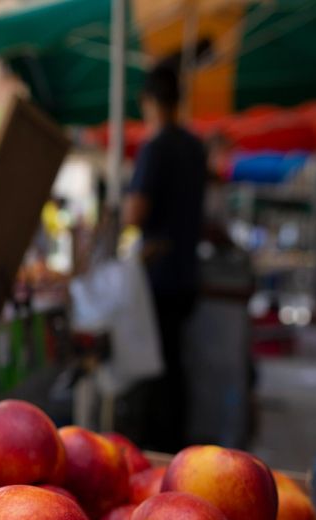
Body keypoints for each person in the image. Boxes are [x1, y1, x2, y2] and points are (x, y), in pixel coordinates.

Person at [123, 64, 207, 453]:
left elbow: (135, 213)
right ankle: (176, 445)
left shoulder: (155, 148)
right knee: (175, 365)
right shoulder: (194, 148)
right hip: (187, 275)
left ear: (149, 102)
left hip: (159, 277)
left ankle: (160, 451)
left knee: (155, 369)